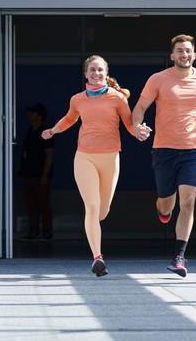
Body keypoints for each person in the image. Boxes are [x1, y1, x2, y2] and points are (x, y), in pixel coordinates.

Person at [131, 34, 196, 278]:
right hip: (164, 149)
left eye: (188, 51)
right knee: (168, 203)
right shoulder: (158, 79)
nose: (184, 55)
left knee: (188, 201)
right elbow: (140, 107)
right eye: (179, 51)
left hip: (194, 150)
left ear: (194, 55)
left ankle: (179, 256)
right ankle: (163, 210)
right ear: (172, 56)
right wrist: (137, 126)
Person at [42, 55, 151, 277]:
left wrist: (138, 131)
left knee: (102, 211)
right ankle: (97, 258)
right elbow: (69, 119)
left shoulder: (118, 98)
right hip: (85, 157)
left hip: (110, 157)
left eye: (100, 70)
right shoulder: (77, 99)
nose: (96, 73)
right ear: (85, 73)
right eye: (92, 70)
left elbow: (129, 123)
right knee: (91, 207)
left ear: (106, 73)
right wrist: (53, 130)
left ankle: (95, 228)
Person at [17, 102, 55, 242]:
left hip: (40, 175)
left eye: (33, 113)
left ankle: (47, 232)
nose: (29, 115)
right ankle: (33, 231)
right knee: (31, 204)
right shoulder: (30, 131)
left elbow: (50, 153)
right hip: (28, 174)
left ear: (40, 116)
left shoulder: (45, 132)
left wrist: (45, 174)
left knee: (43, 203)